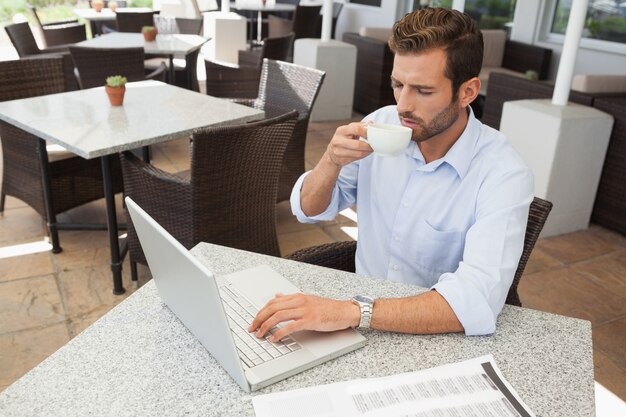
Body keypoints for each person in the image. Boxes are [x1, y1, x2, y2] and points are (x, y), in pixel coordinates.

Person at [249, 7, 533, 339]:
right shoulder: (380, 125)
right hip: (359, 323)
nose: (402, 105)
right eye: (398, 85)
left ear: (467, 92)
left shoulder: (503, 174)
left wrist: (350, 312)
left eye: (423, 91)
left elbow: (474, 299)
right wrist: (330, 161)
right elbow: (308, 210)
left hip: (437, 335)